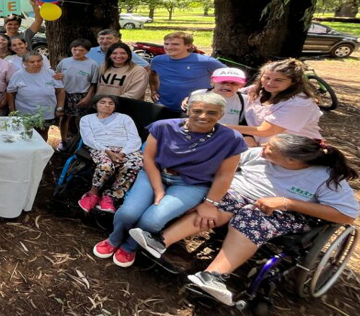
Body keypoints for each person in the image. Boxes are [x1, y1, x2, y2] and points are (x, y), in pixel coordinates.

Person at [130, 135, 359, 306]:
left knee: (251, 216)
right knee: (219, 202)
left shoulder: (325, 178)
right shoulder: (257, 154)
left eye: (271, 149)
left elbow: (346, 215)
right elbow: (225, 168)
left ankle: (213, 275)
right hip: (238, 194)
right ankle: (160, 241)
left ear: (291, 160)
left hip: (282, 211)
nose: (263, 148)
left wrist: (287, 202)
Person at [93, 92, 247, 268]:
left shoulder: (232, 139)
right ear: (188, 110)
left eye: (212, 112)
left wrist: (210, 204)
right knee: (128, 213)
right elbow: (148, 158)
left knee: (152, 220)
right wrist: (158, 190)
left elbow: (225, 175)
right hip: (155, 173)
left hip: (191, 184)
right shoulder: (163, 127)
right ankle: (114, 239)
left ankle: (130, 246)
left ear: (221, 114)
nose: (203, 116)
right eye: (197, 111)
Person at [225, 58, 323, 145]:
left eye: (278, 80)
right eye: (266, 78)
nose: (269, 83)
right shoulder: (257, 91)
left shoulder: (300, 103)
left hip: (293, 151)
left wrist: (222, 127)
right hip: (261, 146)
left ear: (293, 82)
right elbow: (230, 93)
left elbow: (265, 131)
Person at [77, 95, 142, 214]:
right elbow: (88, 139)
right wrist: (107, 151)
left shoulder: (124, 118)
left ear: (115, 107)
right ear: (95, 105)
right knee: (106, 165)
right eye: (102, 102)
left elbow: (135, 139)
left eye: (111, 103)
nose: (107, 105)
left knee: (135, 164)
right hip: (100, 148)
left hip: (125, 149)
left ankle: (111, 197)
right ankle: (92, 194)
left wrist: (122, 153)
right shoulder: (87, 119)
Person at [149, 32, 224, 109]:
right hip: (164, 105)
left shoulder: (206, 61)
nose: (169, 47)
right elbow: (152, 74)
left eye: (175, 44)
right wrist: (153, 91)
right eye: (166, 44)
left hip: (196, 108)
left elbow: (229, 77)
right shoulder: (157, 61)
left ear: (188, 46)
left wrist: (214, 93)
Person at [7, 53, 65, 140]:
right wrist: (12, 111)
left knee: (43, 136)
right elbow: (10, 93)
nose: (36, 64)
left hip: (46, 113)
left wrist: (59, 108)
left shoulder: (50, 73)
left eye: (39, 61)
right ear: (25, 63)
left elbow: (60, 90)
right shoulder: (18, 75)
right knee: (25, 136)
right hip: (25, 114)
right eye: (32, 62)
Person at [55, 39, 99, 142]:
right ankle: (63, 140)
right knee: (64, 117)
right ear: (71, 49)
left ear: (87, 51)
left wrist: (87, 97)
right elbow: (56, 77)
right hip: (65, 94)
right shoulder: (64, 62)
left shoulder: (92, 64)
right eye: (75, 49)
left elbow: (93, 83)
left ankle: (82, 141)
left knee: (81, 119)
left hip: (82, 95)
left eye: (82, 50)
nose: (77, 52)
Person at [182, 68, 247, 125]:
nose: (227, 85)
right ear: (212, 82)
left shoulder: (246, 100)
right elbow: (186, 116)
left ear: (241, 85)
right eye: (223, 82)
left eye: (234, 83)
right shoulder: (198, 94)